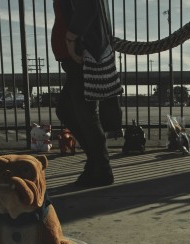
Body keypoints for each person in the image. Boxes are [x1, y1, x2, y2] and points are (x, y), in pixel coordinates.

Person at [52, 0, 123, 188]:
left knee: (86, 115)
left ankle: (101, 169)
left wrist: (70, 39)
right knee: (67, 110)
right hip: (78, 55)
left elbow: (88, 6)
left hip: (82, 55)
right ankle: (96, 163)